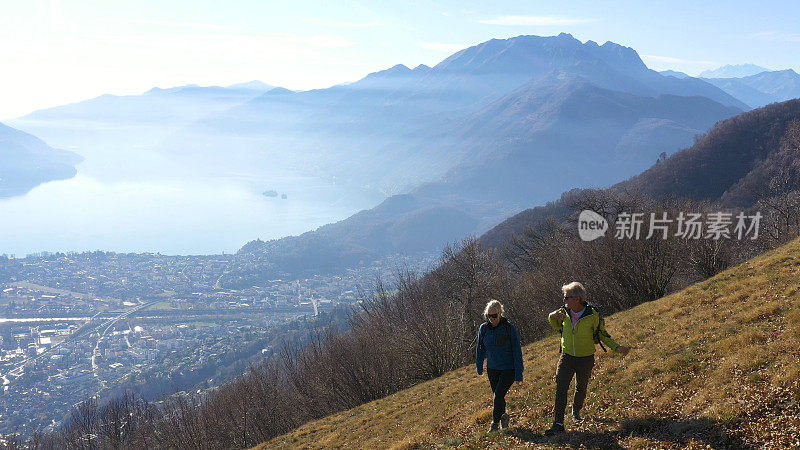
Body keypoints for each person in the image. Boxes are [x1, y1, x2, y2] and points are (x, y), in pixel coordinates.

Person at [545, 282, 630, 436]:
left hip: (586, 358)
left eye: (566, 298)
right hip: (567, 357)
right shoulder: (563, 312)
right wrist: (551, 316)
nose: (564, 301)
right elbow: (555, 323)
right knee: (561, 388)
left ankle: (576, 412)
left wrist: (616, 347)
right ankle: (558, 423)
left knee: (581, 388)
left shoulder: (593, 315)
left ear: (577, 299)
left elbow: (602, 333)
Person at [476, 299, 524, 432]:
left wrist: (519, 374)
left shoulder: (509, 328)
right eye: (489, 316)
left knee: (497, 396)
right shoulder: (484, 328)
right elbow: (480, 348)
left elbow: (517, 351)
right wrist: (479, 366)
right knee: (499, 397)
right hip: (492, 369)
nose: (491, 319)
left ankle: (495, 423)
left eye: (494, 315)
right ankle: (504, 418)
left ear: (500, 313)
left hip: (508, 369)